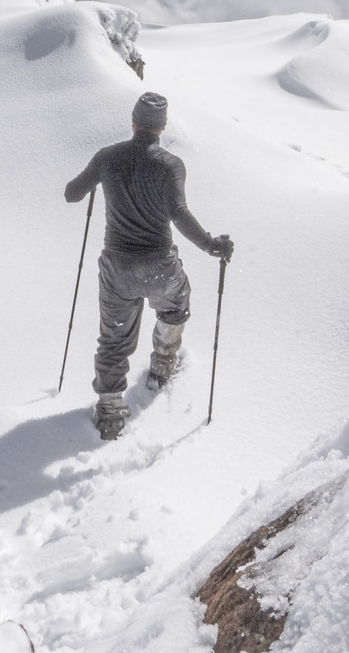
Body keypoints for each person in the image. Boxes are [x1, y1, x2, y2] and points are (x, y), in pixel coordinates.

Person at [64, 91, 233, 441]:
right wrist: (210, 245)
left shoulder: (107, 158)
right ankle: (162, 364)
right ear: (162, 127)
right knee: (175, 307)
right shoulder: (170, 165)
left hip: (117, 268)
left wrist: (96, 181)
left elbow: (71, 193)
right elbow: (178, 213)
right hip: (159, 265)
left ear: (133, 121)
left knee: (113, 338)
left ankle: (109, 411)